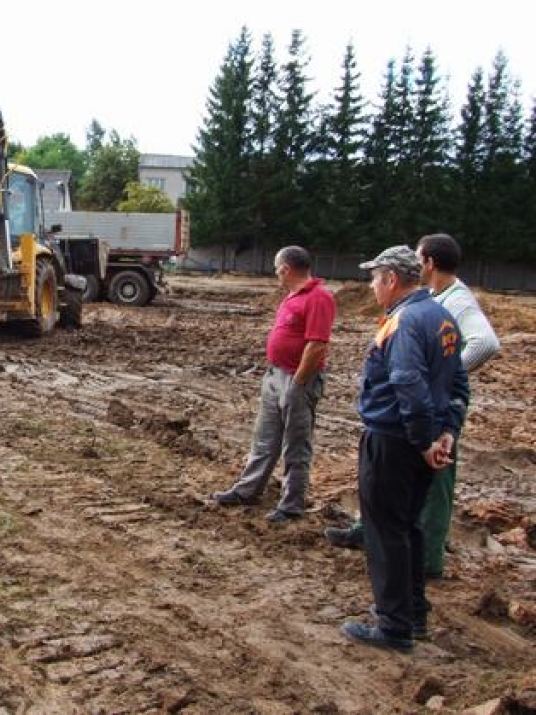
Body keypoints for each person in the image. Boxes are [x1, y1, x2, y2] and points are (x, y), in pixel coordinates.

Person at [324, 234, 499, 578]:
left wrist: (443, 374)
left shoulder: (455, 302)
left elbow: (486, 343)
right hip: (423, 410)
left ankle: (426, 563)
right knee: (394, 493)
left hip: (428, 413)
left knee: (432, 487)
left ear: (429, 263)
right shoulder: (429, 301)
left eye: (418, 258)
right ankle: (370, 534)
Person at [340, 245, 469, 652]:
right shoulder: (442, 317)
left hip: (395, 440)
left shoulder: (404, 322)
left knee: (385, 532)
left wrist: (424, 440)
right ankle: (413, 614)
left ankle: (393, 626)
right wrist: (446, 432)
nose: (373, 286)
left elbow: (408, 384)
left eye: (375, 278)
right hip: (418, 440)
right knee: (408, 527)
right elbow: (458, 385)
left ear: (392, 279)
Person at [211, 246, 337, 523]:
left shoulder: (318, 298)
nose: (275, 273)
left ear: (286, 269)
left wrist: (299, 383)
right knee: (265, 439)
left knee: (295, 444)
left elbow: (316, 345)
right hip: (276, 375)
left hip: (297, 380)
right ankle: (248, 490)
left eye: (276, 268)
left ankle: (292, 504)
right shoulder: (292, 296)